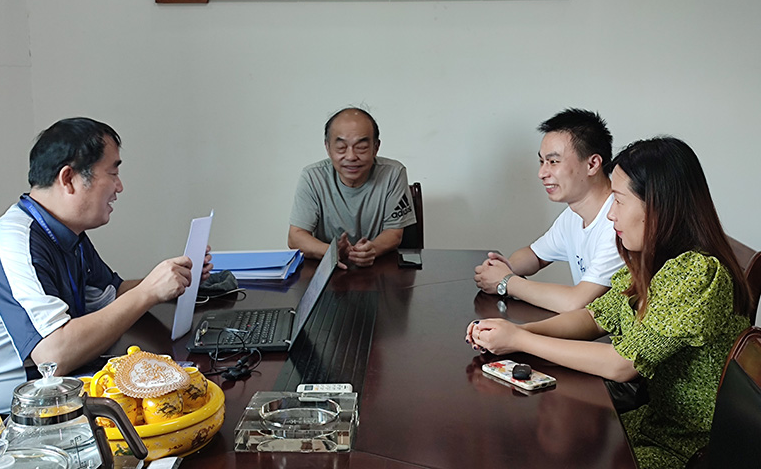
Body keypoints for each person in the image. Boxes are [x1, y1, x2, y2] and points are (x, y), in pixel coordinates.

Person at [467, 136, 752, 469]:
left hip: (686, 446)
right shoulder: (652, 259)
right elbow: (594, 317)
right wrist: (519, 332)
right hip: (650, 420)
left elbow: (622, 364)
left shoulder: (695, 272)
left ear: (657, 206)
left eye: (618, 201)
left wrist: (520, 340)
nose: (611, 215)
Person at [0, 118, 212, 411]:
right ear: (69, 179)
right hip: (1, 417)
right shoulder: (14, 242)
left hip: (58, 392)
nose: (120, 186)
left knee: (188, 386)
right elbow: (53, 356)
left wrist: (170, 280)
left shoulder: (65, 232)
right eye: (113, 172)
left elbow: (112, 294)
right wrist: (148, 292)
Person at [474, 109, 623, 313]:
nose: (542, 173)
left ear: (592, 164)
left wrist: (506, 281)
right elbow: (535, 255)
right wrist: (503, 267)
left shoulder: (618, 222)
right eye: (542, 162)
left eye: (553, 162)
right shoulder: (572, 215)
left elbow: (576, 303)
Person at [288, 107, 416, 269]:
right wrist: (333, 253)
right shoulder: (313, 177)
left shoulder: (393, 173)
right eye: (341, 147)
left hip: (378, 269)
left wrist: (372, 249)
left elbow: (394, 233)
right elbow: (295, 237)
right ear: (328, 148)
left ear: (376, 147)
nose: (351, 156)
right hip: (329, 271)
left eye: (361, 147)